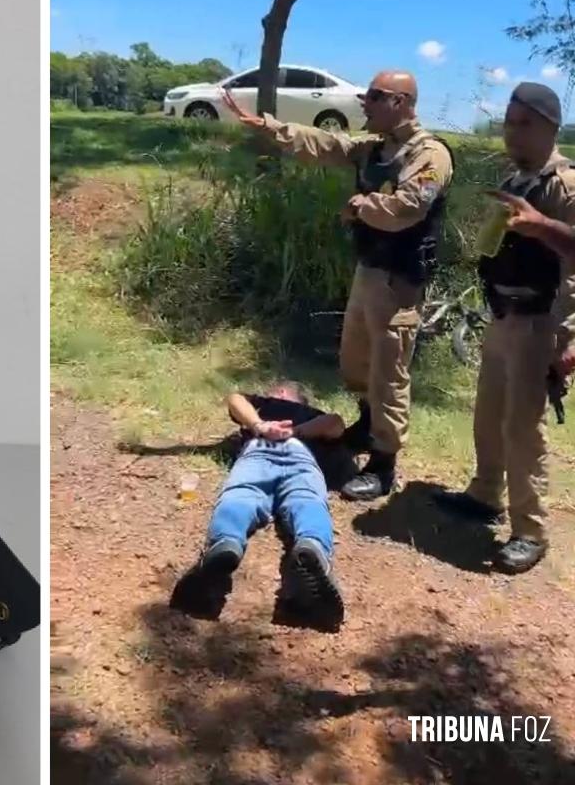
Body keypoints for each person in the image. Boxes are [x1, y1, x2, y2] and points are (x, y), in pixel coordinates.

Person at [223, 71, 455, 502]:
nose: (364, 102)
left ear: (402, 102)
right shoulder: (374, 147)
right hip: (370, 270)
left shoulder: (429, 154)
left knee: (388, 371)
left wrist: (361, 206)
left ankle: (384, 464)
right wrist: (270, 128)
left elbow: (408, 207)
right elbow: (326, 145)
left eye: (375, 96)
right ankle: (367, 428)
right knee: (357, 359)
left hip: (399, 280)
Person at [433, 83, 575, 573]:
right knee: (489, 414)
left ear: (550, 127)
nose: (512, 133)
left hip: (541, 322)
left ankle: (529, 530)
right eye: (509, 123)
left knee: (522, 428)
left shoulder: (566, 185)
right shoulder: (516, 178)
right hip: (501, 315)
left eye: (524, 124)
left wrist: (543, 227)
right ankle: (485, 494)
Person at [170, 383, 346, 626]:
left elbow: (336, 423)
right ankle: (313, 549)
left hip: (270, 450)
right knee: (307, 499)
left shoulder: (305, 413)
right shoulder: (263, 406)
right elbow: (234, 399)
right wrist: (260, 425)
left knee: (241, 495)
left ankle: (224, 545)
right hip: (291, 454)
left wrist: (289, 431)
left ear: (283, 392)